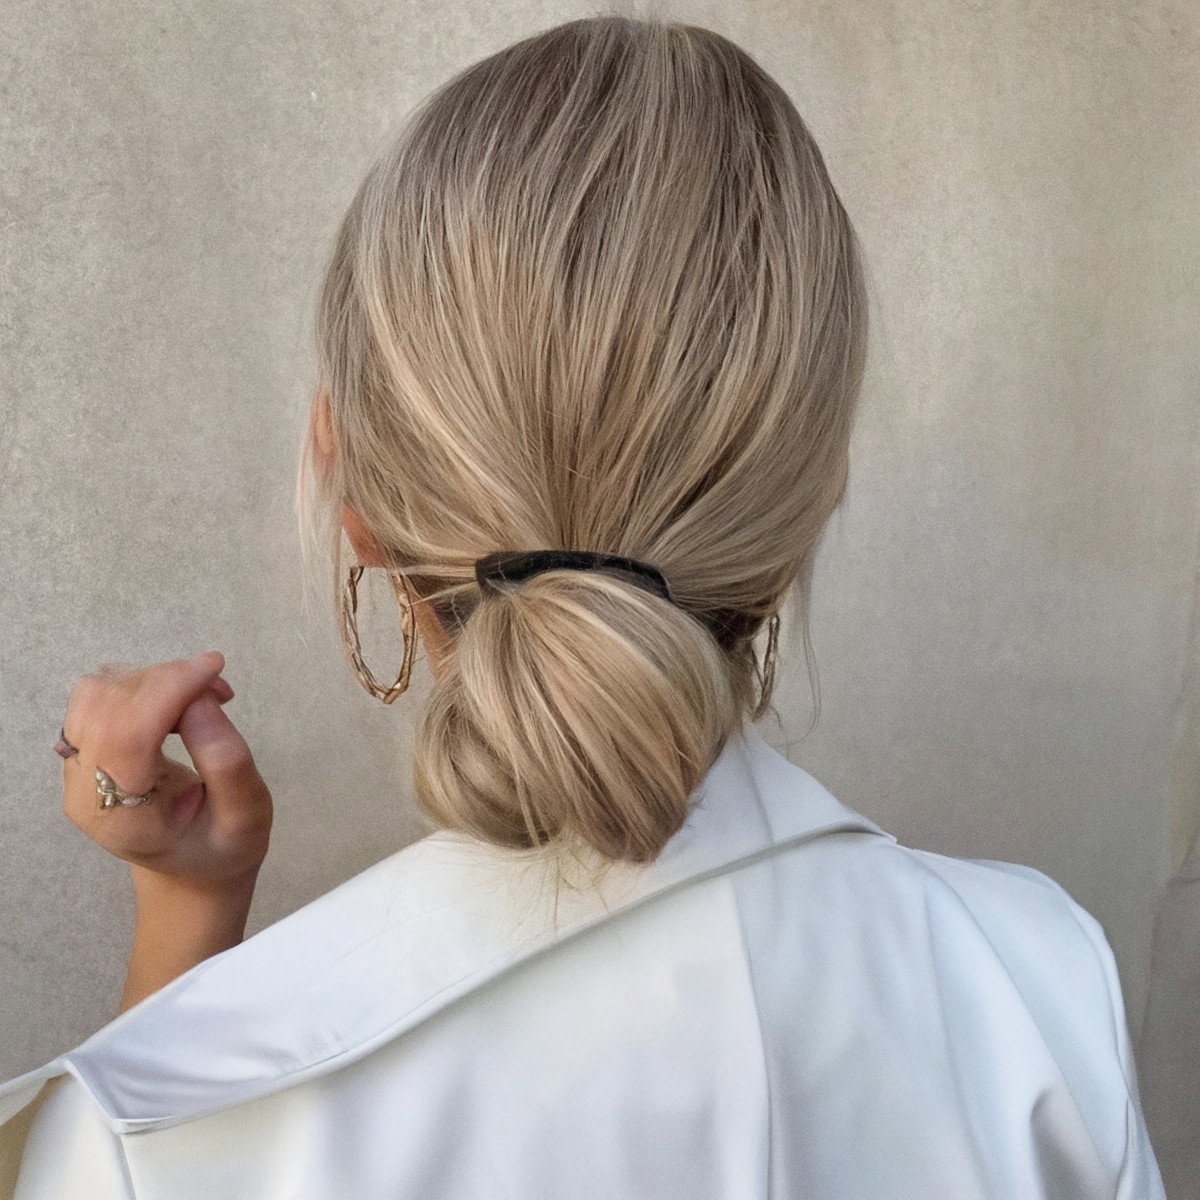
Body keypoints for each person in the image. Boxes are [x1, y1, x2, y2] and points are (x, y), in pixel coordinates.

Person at [0, 14, 1166, 1199]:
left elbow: (165, 1131)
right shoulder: (1042, 992)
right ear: (809, 494)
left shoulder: (155, 1133)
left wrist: (185, 922)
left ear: (350, 487)